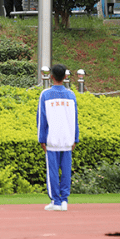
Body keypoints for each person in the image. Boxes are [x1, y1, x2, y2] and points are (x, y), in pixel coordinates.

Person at [37, 64, 79, 211]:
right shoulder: (71, 95)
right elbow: (75, 119)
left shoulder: (45, 94)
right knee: (66, 169)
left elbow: (41, 119)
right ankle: (64, 200)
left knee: (53, 170)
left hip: (52, 139)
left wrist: (41, 139)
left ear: (51, 77)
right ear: (65, 77)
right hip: (67, 138)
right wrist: (75, 138)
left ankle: (56, 200)